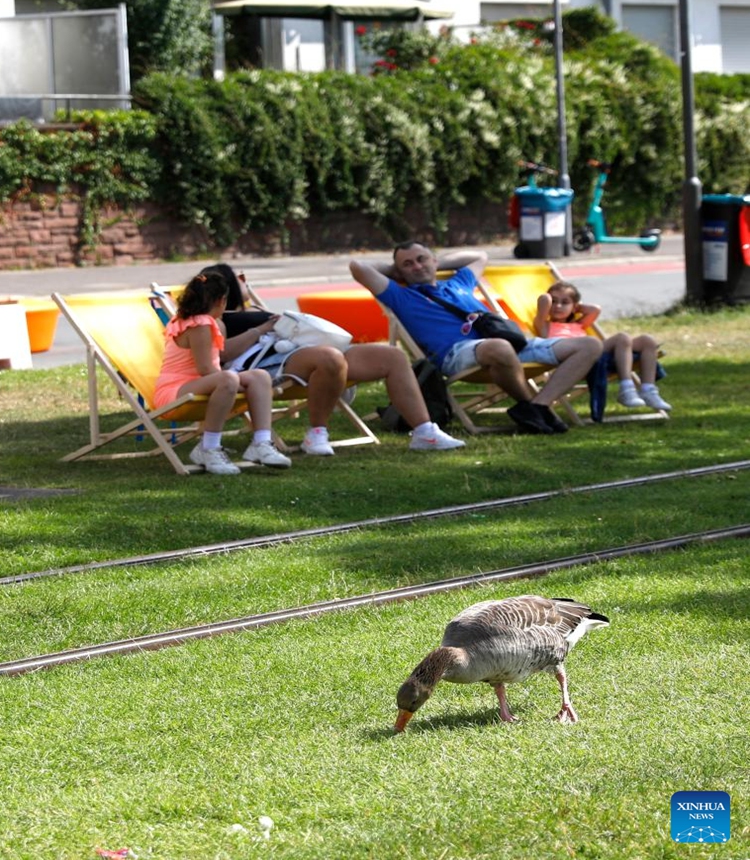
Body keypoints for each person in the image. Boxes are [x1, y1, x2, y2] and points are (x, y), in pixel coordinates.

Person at [200, 263, 465, 455]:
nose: (247, 282)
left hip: (302, 351)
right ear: (229, 288)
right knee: (330, 357)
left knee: (392, 356)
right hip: (267, 364)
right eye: (241, 278)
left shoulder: (256, 309)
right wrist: (259, 330)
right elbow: (222, 356)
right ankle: (316, 434)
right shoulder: (218, 320)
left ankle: (424, 432)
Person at [349, 242, 602, 435]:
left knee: (590, 345)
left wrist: (434, 264)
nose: (417, 266)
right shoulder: (400, 295)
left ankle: (538, 407)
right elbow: (358, 268)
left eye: (421, 259)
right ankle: (527, 403)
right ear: (399, 271)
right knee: (499, 348)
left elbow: (480, 256)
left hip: (505, 344)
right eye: (408, 264)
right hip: (457, 353)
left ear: (433, 260)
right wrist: (398, 272)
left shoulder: (459, 282)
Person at [154, 270, 292, 475]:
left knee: (260, 376)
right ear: (222, 301)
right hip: (175, 391)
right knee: (228, 378)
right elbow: (206, 369)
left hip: (199, 385)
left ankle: (261, 443)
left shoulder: (202, 321)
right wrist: (236, 382)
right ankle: (208, 447)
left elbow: (217, 363)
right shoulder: (200, 324)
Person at [535, 280, 671, 411]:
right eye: (554, 301)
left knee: (647, 341)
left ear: (574, 307)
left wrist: (576, 307)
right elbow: (543, 304)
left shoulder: (578, 324)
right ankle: (626, 388)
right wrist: (553, 301)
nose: (558, 306)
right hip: (575, 358)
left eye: (565, 302)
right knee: (621, 338)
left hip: (595, 352)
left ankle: (648, 389)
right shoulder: (545, 326)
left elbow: (595, 309)